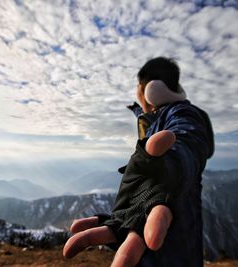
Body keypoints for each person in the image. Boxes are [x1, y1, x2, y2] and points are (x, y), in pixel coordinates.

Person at [63, 57, 215, 266]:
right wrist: (136, 109)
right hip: (173, 243)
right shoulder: (160, 115)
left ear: (151, 89)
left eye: (139, 87)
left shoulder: (183, 114)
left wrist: (167, 166)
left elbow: (188, 140)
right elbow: (148, 117)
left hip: (172, 249)